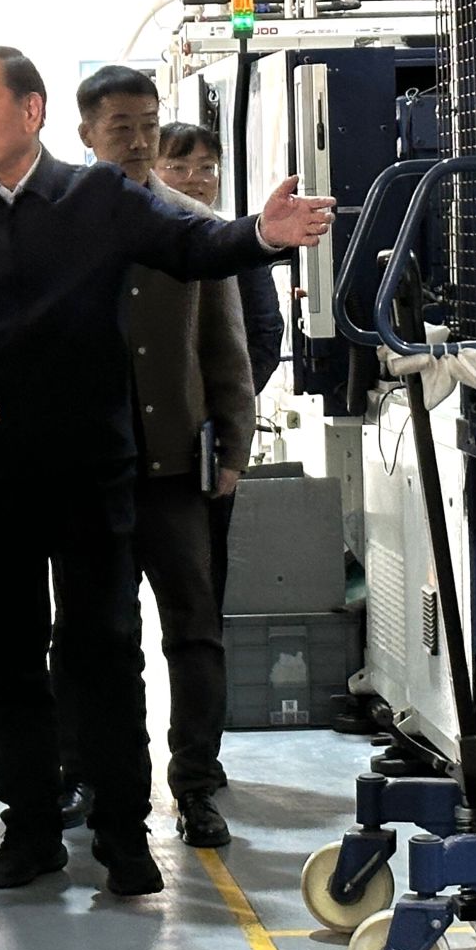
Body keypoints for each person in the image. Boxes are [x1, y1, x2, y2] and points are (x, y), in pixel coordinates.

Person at [0, 46, 333, 896]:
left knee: (105, 649)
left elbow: (189, 243)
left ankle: (124, 834)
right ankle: (29, 829)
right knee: (11, 657)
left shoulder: (96, 198)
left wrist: (261, 235)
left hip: (90, 470)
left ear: (31, 111)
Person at [51, 66, 253, 849]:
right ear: (85, 133)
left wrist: (231, 446)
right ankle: (83, 772)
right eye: (120, 126)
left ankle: (195, 783)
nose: (138, 140)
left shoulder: (192, 225)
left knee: (194, 632)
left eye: (148, 124)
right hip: (87, 474)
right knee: (89, 636)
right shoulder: (58, 226)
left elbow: (224, 348)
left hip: (176, 470)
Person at [158, 120, 286, 615]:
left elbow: (264, 335)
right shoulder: (127, 238)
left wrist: (226, 409)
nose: (195, 179)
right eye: (178, 166)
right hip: (137, 446)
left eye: (207, 167)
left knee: (203, 585)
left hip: (206, 442)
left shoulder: (237, 241)